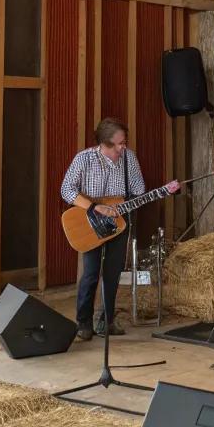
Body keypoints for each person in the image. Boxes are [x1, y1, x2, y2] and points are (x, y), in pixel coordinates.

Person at [60, 118, 145, 341]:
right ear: (105, 145)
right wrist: (94, 207)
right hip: (90, 223)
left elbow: (138, 189)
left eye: (123, 142)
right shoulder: (84, 159)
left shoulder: (129, 158)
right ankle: (83, 322)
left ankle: (106, 321)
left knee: (112, 273)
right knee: (90, 273)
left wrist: (127, 203)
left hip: (118, 223)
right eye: (118, 144)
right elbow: (66, 189)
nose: (122, 147)